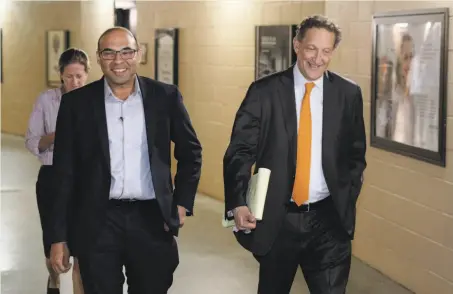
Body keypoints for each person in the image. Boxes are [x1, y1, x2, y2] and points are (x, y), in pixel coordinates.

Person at [49, 27, 202, 294]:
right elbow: (63, 174)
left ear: (139, 54)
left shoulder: (165, 97)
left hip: (152, 219)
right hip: (97, 222)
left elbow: (191, 152)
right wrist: (58, 237)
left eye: (126, 51)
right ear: (98, 57)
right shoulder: (76, 104)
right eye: (109, 52)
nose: (118, 61)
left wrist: (182, 202)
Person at [223, 15, 367, 294]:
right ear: (297, 45)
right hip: (279, 220)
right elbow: (240, 151)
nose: (318, 59)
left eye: (326, 51)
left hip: (328, 221)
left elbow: (355, 154)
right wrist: (238, 202)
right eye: (312, 49)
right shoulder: (264, 92)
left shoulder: (348, 94)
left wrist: (346, 198)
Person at [25, 48, 89, 294]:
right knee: (54, 245)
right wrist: (60, 135)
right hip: (52, 176)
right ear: (61, 75)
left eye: (80, 76)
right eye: (70, 76)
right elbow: (32, 140)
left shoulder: (95, 101)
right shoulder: (46, 100)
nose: (75, 82)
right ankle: (53, 281)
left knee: (83, 248)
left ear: (87, 75)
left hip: (85, 180)